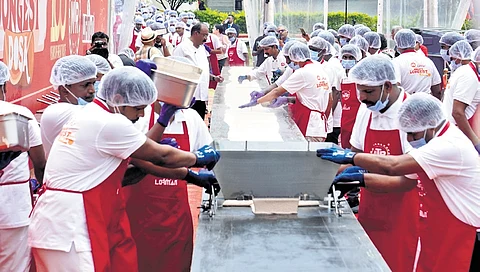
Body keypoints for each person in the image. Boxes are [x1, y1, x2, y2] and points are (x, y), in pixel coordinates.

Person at [29, 66, 221, 271]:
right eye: (138, 108)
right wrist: (197, 158)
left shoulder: (93, 115)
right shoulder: (108, 123)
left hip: (70, 219)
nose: (140, 114)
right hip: (70, 226)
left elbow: (142, 166)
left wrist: (189, 176)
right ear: (119, 98)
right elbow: (160, 156)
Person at [318, 92, 480, 272]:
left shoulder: (448, 146)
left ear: (431, 126)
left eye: (412, 134)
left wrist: (351, 157)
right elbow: (404, 182)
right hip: (437, 230)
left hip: (460, 232)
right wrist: (360, 179)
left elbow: (392, 166)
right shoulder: (434, 141)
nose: (410, 140)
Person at [126, 58, 218, 272]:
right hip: (139, 215)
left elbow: (209, 154)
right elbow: (134, 158)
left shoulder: (191, 119)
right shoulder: (138, 117)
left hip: (175, 217)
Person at [339, 55, 419, 272]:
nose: (362, 98)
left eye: (368, 92)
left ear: (387, 86)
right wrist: (324, 175)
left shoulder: (412, 115)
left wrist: (361, 179)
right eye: (359, 90)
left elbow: (408, 180)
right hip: (371, 207)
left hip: (403, 212)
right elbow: (354, 153)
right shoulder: (367, 110)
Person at [0, 61, 46, 272]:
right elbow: (40, 163)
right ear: (4, 87)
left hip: (14, 203)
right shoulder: (21, 115)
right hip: (13, 208)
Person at [247, 43, 333, 142]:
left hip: (309, 126)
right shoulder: (320, 70)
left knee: (304, 155)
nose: (290, 63)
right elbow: (329, 99)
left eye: (290, 59)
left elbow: (276, 91)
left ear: (295, 58)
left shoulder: (302, 72)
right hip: (319, 128)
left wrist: (257, 101)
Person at [40, 56, 98, 158]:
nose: (92, 90)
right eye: (86, 85)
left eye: (93, 83)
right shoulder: (60, 112)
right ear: (64, 90)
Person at [174, 23, 224, 120]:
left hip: (202, 96)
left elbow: (202, 70)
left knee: (199, 123)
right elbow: (176, 70)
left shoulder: (202, 48)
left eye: (207, 35)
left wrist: (214, 77)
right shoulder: (182, 48)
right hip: (188, 97)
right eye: (204, 35)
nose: (206, 38)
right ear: (196, 33)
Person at [443, 43, 480, 153]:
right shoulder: (469, 77)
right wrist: (475, 142)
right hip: (458, 133)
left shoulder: (465, 70)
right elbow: (457, 112)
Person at [308, 37, 343, 144]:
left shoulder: (329, 68)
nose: (311, 52)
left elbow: (334, 94)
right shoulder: (308, 67)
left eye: (314, 49)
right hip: (312, 118)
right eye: (310, 48)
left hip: (325, 117)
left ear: (323, 51)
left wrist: (326, 115)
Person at [392, 29, 442, 99]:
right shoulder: (427, 61)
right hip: (426, 103)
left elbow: (395, 88)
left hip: (406, 104)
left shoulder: (396, 62)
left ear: (398, 44)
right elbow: (437, 90)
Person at [338, 44, 362, 149]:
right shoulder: (341, 76)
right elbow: (340, 96)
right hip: (345, 119)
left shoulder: (360, 78)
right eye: (345, 57)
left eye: (351, 57)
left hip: (357, 120)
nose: (347, 60)